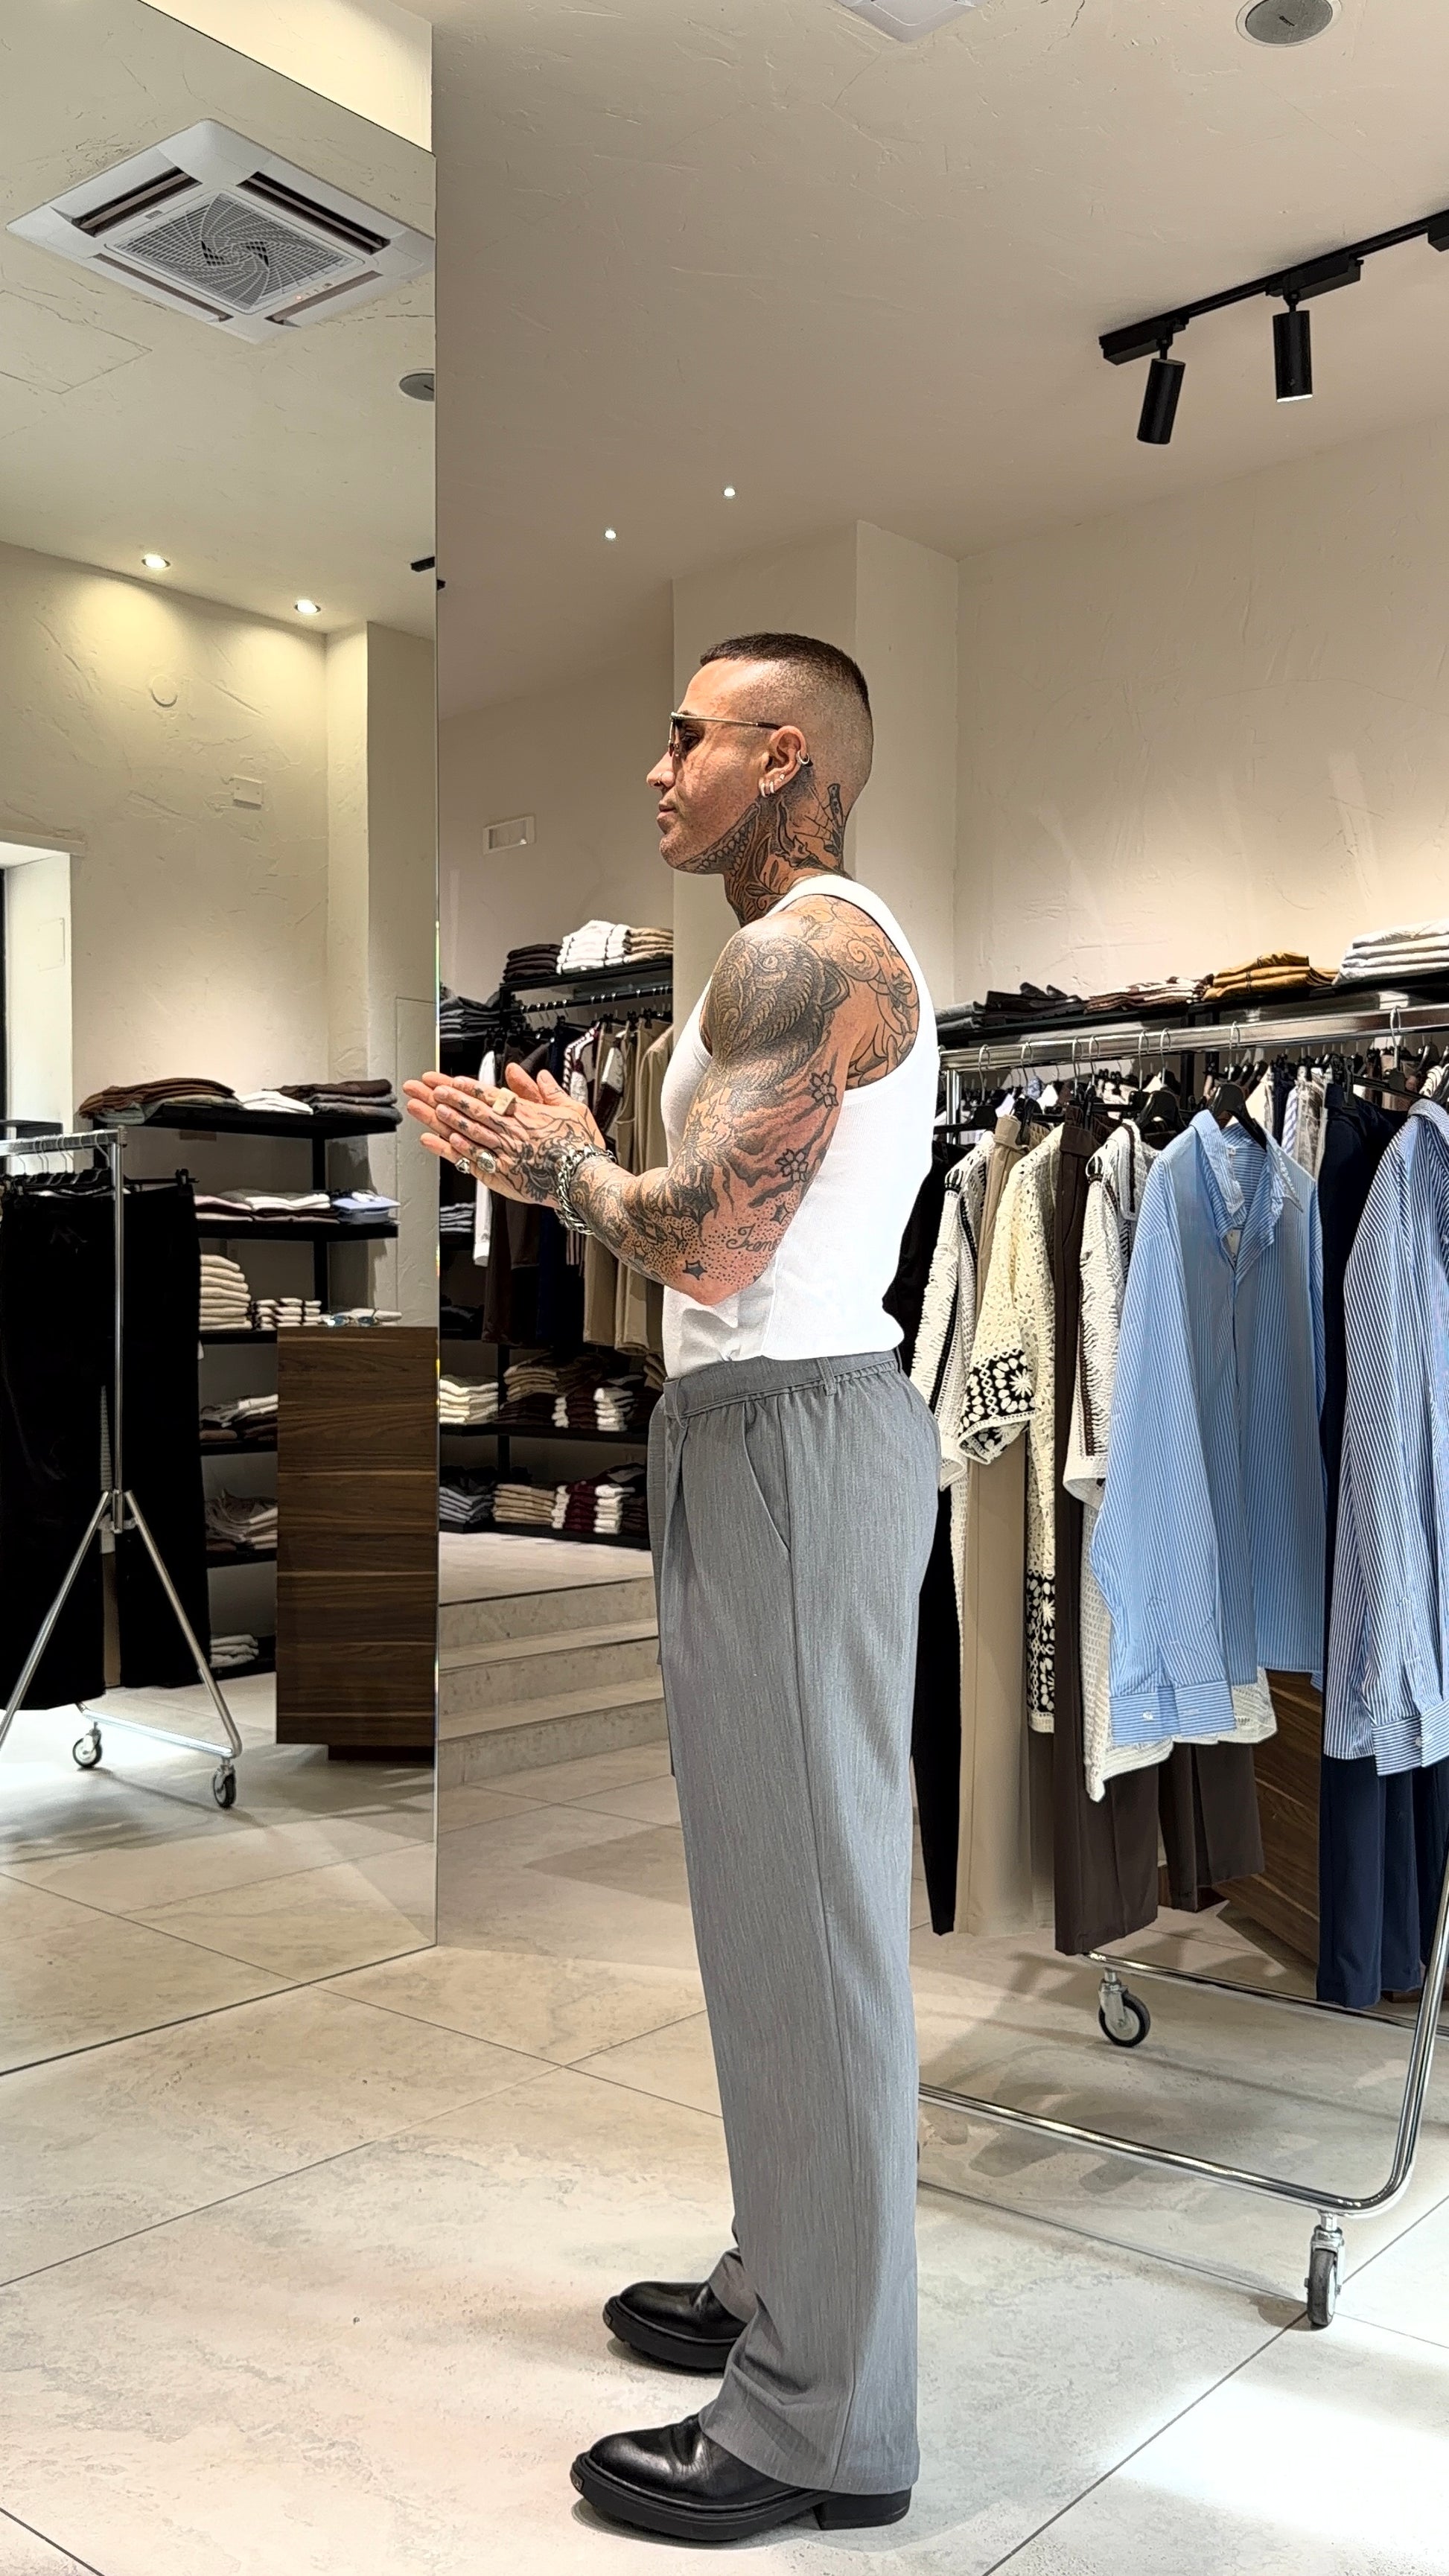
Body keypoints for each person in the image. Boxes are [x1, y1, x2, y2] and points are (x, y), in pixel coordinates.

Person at [405, 632, 939, 2547]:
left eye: (687, 736)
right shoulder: (783, 953)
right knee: (764, 1908)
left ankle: (821, 2421)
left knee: (807, 1925)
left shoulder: (806, 951)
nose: (656, 767)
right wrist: (567, 1165)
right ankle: (782, 2275)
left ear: (781, 754)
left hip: (791, 1434)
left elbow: (708, 1245)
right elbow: (713, 1225)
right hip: (759, 1431)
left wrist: (566, 1162)